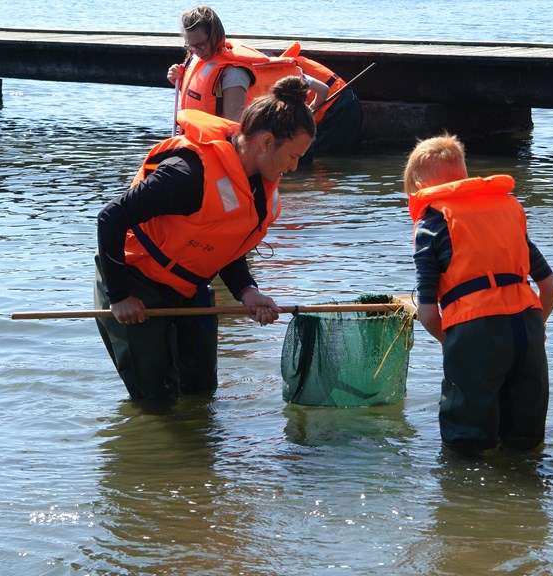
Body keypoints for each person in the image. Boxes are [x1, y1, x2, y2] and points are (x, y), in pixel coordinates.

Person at [94, 76, 316, 405]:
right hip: (135, 283)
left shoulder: (257, 183)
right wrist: (119, 296)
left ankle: (201, 452)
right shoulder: (186, 173)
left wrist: (247, 291)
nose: (295, 167)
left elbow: (224, 239)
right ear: (266, 142)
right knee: (157, 402)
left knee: (200, 393)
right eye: (294, 156)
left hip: (189, 288)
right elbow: (110, 218)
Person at [403, 133, 553, 454]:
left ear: (419, 185)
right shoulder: (507, 209)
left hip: (474, 333)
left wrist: (454, 341)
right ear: (464, 175)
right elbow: (550, 286)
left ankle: (472, 502)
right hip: (528, 329)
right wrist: (534, 327)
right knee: (525, 445)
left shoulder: (431, 224)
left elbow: (428, 312)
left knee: (466, 448)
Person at [166, 6, 361, 155]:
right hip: (294, 122)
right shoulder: (199, 59)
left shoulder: (245, 73)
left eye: (200, 45)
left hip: (340, 109)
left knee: (318, 156)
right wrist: (177, 76)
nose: (196, 51)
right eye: (190, 46)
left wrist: (310, 111)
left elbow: (233, 126)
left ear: (216, 37)